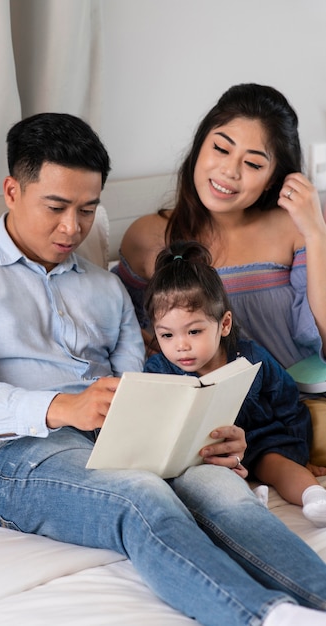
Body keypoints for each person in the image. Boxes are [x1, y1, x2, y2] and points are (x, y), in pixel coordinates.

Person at [0, 112, 326, 626]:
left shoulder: (104, 287)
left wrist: (204, 438)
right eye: (57, 207)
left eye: (88, 210)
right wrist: (63, 408)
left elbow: (147, 387)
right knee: (140, 496)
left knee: (227, 494)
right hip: (14, 455)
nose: (73, 228)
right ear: (12, 191)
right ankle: (266, 617)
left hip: (122, 444)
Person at [112, 82, 326, 472]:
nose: (230, 171)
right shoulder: (147, 237)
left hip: (293, 410)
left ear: (275, 177)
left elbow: (323, 340)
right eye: (221, 148)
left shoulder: (292, 226)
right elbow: (133, 343)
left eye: (254, 163)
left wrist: (316, 233)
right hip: (205, 425)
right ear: (200, 145)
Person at [143, 240, 326, 528]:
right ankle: (247, 502)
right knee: (203, 473)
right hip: (206, 452)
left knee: (278, 463)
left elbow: (287, 403)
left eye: (194, 331)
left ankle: (314, 497)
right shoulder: (159, 371)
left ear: (224, 324)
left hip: (261, 439)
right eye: (166, 335)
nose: (181, 346)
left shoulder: (251, 357)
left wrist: (298, 450)